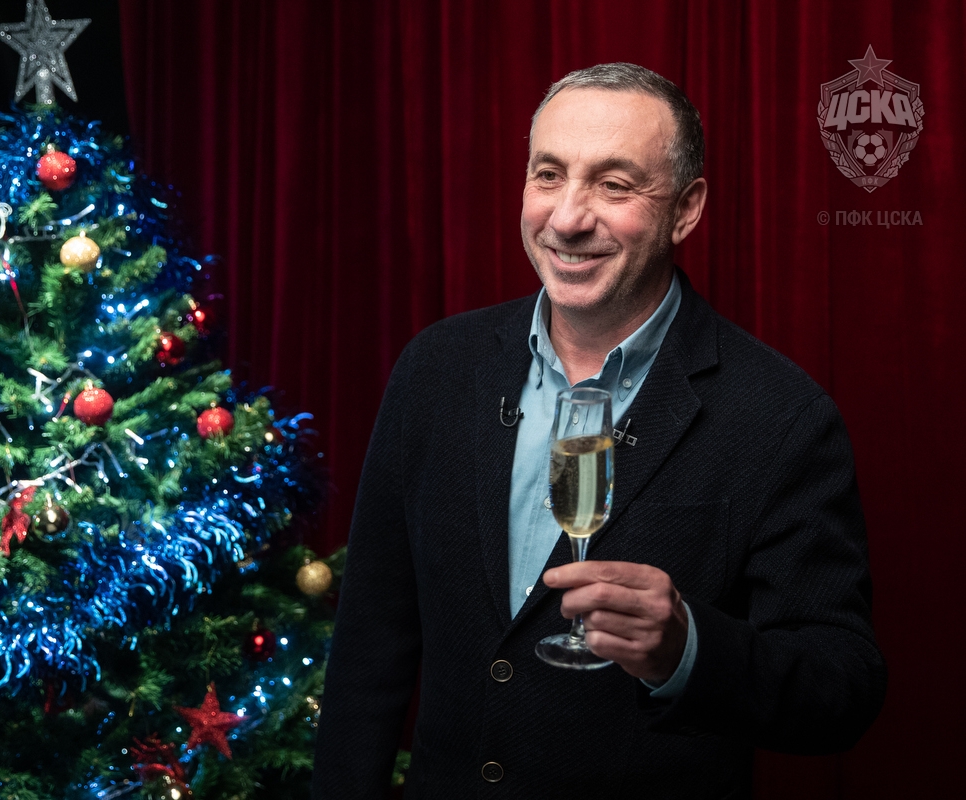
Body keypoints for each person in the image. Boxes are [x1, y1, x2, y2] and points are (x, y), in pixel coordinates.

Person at [311, 63, 886, 799]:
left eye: (614, 186)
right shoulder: (437, 369)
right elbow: (370, 643)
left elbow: (843, 687)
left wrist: (688, 648)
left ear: (686, 210)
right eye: (549, 175)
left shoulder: (781, 416)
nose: (568, 218)